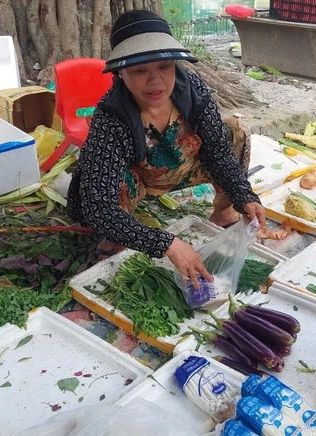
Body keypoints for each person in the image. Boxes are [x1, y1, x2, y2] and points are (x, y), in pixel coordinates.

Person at [67, 10, 266, 287]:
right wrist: (167, 244)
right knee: (105, 189)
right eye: (139, 70)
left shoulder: (193, 89)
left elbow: (218, 153)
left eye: (164, 66)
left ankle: (223, 212)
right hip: (138, 178)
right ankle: (119, 236)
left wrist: (245, 194)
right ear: (120, 73)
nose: (156, 81)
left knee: (233, 131)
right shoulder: (111, 117)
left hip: (183, 166)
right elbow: (98, 207)